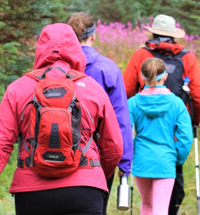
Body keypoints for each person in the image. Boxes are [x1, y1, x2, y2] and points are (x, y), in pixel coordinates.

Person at [0, 23, 123, 215]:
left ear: (40, 49)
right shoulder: (92, 88)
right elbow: (114, 146)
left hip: (32, 191)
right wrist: (97, 174)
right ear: (75, 49)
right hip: (85, 189)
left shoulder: (18, 88)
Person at [123, 14, 200, 214]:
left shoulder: (140, 56)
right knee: (173, 184)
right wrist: (196, 120)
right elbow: (199, 96)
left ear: (153, 32)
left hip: (144, 147)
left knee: (147, 203)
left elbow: (126, 90)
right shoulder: (187, 58)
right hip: (173, 138)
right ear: (173, 36)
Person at [66, 12, 133, 215]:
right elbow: (121, 117)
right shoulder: (108, 69)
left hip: (58, 148)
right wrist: (125, 161)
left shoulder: (56, 67)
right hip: (98, 156)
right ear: (93, 36)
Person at [128, 57, 193, 215]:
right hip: (165, 161)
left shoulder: (133, 103)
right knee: (161, 209)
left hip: (142, 160)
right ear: (165, 76)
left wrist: (132, 152)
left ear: (142, 77)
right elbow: (185, 137)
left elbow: (125, 134)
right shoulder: (176, 104)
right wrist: (177, 158)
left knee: (147, 206)